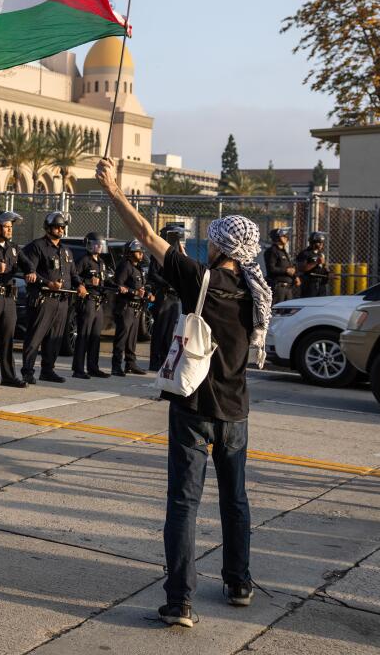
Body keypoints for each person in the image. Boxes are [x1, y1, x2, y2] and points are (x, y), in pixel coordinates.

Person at [97, 156, 268, 629]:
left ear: (218, 246)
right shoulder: (256, 293)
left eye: (213, 238)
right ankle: (239, 583)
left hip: (193, 409)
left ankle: (181, 602)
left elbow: (147, 238)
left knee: (183, 504)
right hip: (236, 412)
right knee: (236, 500)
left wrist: (114, 191)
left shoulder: (200, 280)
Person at [20, 212, 80, 385]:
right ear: (47, 228)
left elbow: (73, 274)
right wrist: (48, 283)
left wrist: (80, 285)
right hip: (43, 298)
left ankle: (48, 370)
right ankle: (27, 371)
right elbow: (29, 271)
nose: (60, 230)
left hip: (62, 300)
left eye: (62, 227)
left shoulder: (66, 250)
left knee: (55, 337)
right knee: (35, 337)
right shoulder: (36, 246)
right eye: (57, 226)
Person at [0, 211, 35, 387]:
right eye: (7, 227)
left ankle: (8, 376)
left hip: (9, 298)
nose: (10, 230)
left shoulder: (14, 248)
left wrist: (30, 272)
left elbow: (27, 263)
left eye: (11, 227)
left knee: (8, 338)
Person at [73, 232, 112, 379]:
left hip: (98, 302)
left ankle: (93, 367)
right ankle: (78, 369)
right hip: (87, 301)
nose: (99, 247)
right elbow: (74, 277)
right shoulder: (84, 260)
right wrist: (88, 282)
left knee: (95, 336)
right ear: (89, 245)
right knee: (83, 335)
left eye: (100, 244)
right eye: (96, 244)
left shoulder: (101, 262)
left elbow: (104, 280)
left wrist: (117, 286)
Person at [148, 224, 187, 372]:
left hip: (175, 297)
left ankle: (164, 359)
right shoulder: (159, 252)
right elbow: (152, 274)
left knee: (170, 330)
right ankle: (155, 360)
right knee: (160, 329)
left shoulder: (177, 253)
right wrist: (167, 284)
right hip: (164, 295)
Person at [111, 240, 153, 376]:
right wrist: (133, 292)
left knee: (132, 339)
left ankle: (131, 364)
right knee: (122, 338)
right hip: (125, 307)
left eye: (141, 252)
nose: (141, 254)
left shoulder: (138, 268)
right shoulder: (125, 266)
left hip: (136, 308)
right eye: (138, 251)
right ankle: (116, 366)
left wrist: (147, 294)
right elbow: (118, 285)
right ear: (130, 253)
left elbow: (141, 287)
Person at [264, 228, 297, 305]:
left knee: (288, 312)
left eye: (286, 236)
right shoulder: (272, 251)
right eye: (283, 236)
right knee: (277, 311)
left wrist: (295, 276)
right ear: (276, 237)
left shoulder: (284, 252)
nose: (286, 237)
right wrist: (286, 270)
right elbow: (271, 269)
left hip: (288, 288)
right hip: (278, 287)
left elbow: (289, 267)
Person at [296, 231, 329, 298]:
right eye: (319, 242)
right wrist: (316, 262)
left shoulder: (321, 254)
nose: (321, 244)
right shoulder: (305, 253)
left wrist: (328, 273)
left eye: (322, 242)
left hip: (321, 284)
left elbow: (323, 267)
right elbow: (302, 268)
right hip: (310, 284)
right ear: (313, 242)